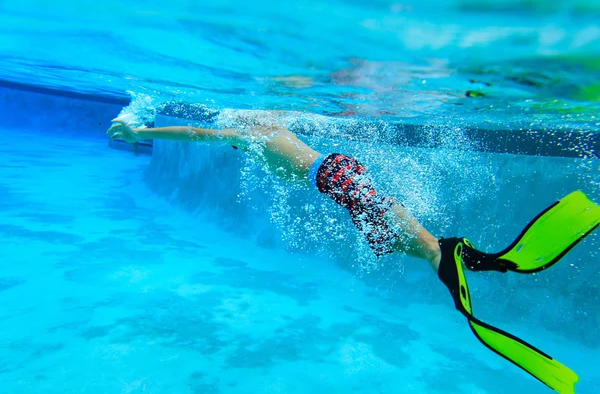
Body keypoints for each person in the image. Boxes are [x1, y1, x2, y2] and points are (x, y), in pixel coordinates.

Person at [108, 112, 598, 393]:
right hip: (334, 174)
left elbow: (195, 134)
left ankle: (442, 253)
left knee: (387, 218)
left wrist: (139, 134)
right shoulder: (269, 121)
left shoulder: (246, 129)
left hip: (331, 173)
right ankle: (455, 256)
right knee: (382, 234)